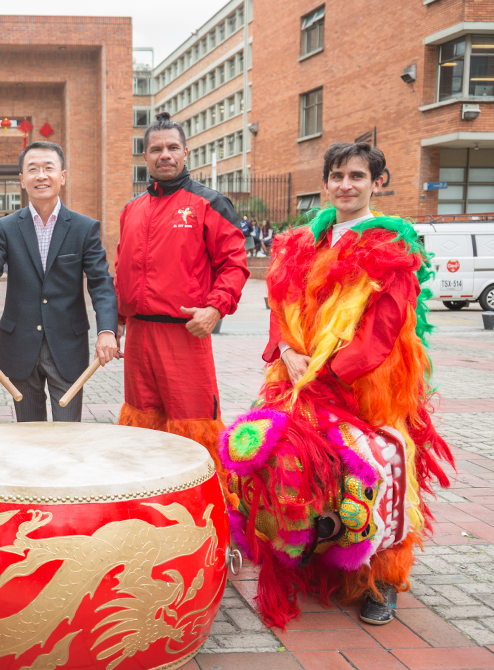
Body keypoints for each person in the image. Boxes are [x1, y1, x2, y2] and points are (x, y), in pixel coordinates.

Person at [220, 142, 454, 628]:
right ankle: (317, 561)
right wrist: (287, 352)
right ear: (325, 183)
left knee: (379, 475)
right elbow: (279, 306)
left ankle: (382, 580)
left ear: (377, 183)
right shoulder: (301, 243)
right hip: (296, 379)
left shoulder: (393, 247)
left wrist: (326, 375)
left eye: (357, 176)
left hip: (366, 390)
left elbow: (383, 329)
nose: (346, 185)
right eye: (338, 176)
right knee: (292, 469)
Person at [114, 112, 248, 487]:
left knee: (194, 425)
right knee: (142, 423)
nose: (165, 155)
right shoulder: (132, 209)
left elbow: (235, 264)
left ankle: (207, 504)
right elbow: (122, 269)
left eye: (172, 147)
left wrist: (215, 308)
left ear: (186, 152)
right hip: (139, 337)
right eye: (156, 149)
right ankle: (145, 498)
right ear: (145, 156)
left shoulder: (209, 203)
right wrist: (116, 321)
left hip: (185, 335)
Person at [0, 141, 118, 421]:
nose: (41, 175)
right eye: (33, 169)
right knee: (28, 434)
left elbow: (100, 283)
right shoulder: (5, 228)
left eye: (49, 168)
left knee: (67, 434)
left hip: (68, 346)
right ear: (22, 180)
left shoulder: (84, 228)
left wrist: (107, 330)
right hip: (19, 346)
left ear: (62, 176)